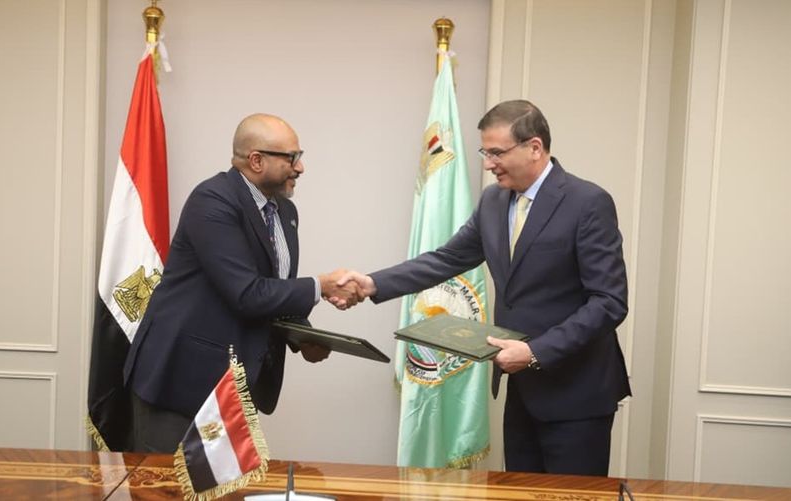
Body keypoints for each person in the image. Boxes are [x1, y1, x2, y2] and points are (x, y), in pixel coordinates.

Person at [337, 100, 630, 476]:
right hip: (522, 391)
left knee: (570, 498)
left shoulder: (587, 203)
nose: (488, 164)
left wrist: (535, 352)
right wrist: (373, 283)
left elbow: (609, 302)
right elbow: (447, 259)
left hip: (577, 395)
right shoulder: (493, 200)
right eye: (485, 153)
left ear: (534, 147)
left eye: (496, 153)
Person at [124, 113, 361, 453]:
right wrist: (321, 286)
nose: (300, 167)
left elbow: (272, 285)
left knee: (225, 482)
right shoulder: (212, 201)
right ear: (256, 160)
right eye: (292, 157)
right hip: (179, 380)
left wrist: (303, 336)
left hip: (233, 384)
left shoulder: (285, 212)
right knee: (167, 482)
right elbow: (247, 293)